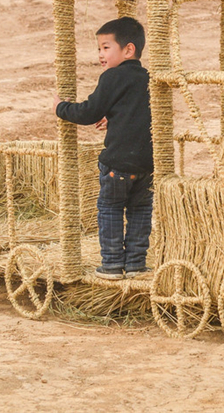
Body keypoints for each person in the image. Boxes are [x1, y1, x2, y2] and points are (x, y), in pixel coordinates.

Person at [55, 17, 154, 280]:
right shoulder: (148, 78)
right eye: (99, 48)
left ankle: (111, 265)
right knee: (140, 211)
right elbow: (140, 111)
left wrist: (61, 108)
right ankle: (136, 265)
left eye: (106, 47)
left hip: (118, 163)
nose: (100, 54)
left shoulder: (111, 77)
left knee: (110, 208)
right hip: (147, 164)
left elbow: (89, 112)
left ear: (128, 50)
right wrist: (115, 117)